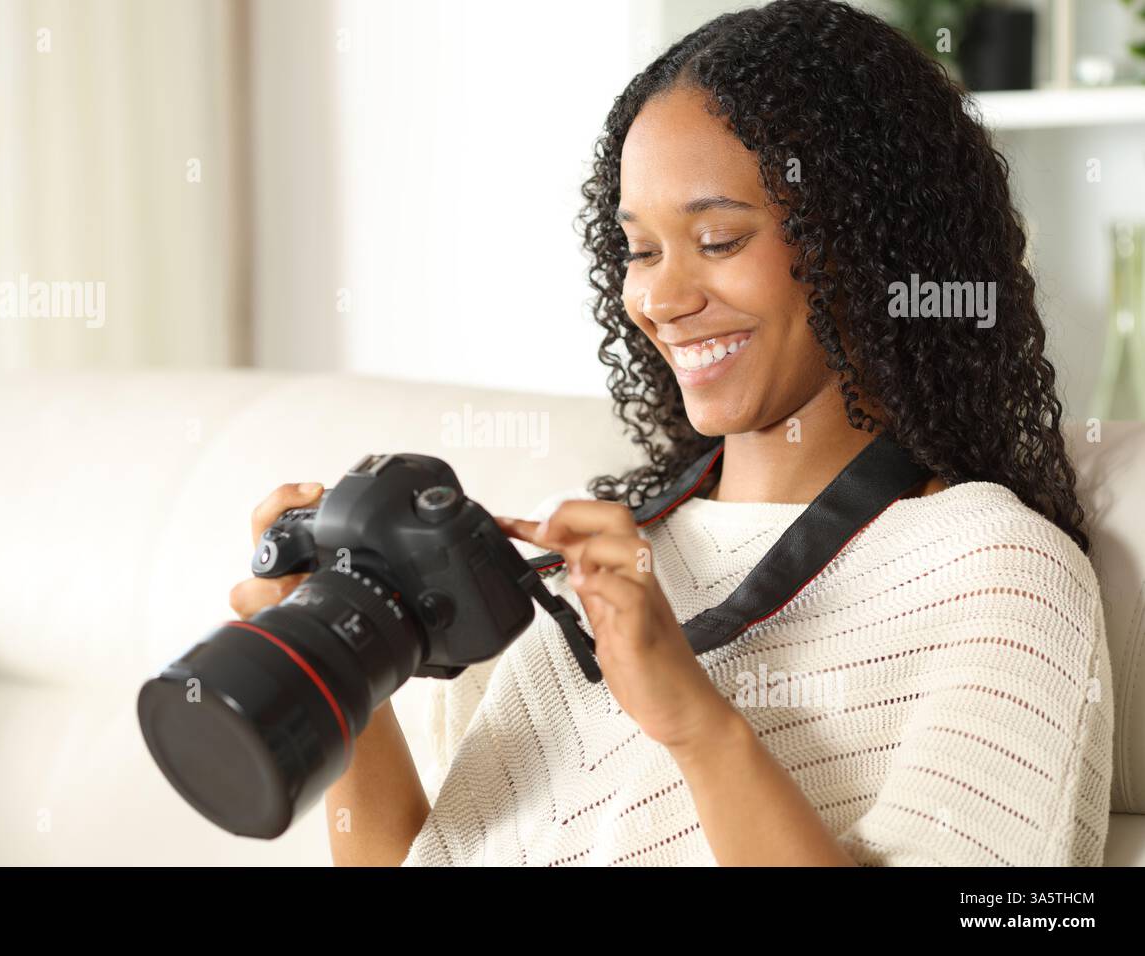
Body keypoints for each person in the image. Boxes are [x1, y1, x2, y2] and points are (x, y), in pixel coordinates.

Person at [230, 0, 1113, 866]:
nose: (658, 298)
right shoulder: (586, 560)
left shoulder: (997, 573)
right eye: (641, 251)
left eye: (719, 240)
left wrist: (696, 722)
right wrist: (342, 668)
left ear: (870, 244)